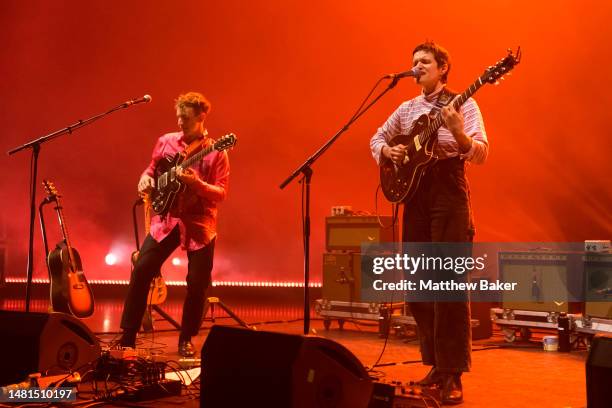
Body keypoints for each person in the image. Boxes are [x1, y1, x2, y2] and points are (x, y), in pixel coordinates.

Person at [370, 42, 488, 405]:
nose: (417, 67)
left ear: (443, 67)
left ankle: (453, 374)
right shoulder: (406, 109)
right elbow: (376, 137)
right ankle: (436, 365)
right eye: (414, 63)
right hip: (416, 197)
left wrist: (460, 134)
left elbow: (482, 151)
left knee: (449, 284)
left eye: (424, 62)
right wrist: (387, 152)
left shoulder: (463, 103)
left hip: (448, 192)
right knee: (419, 284)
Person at [119, 92, 229, 357]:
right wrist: (144, 179)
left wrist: (196, 184)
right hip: (166, 219)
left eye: (186, 118)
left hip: (199, 224)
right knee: (142, 268)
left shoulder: (217, 152)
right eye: (178, 117)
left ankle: (186, 338)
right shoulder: (166, 141)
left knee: (197, 282)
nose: (180, 123)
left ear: (202, 117)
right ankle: (128, 337)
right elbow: (151, 168)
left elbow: (221, 193)